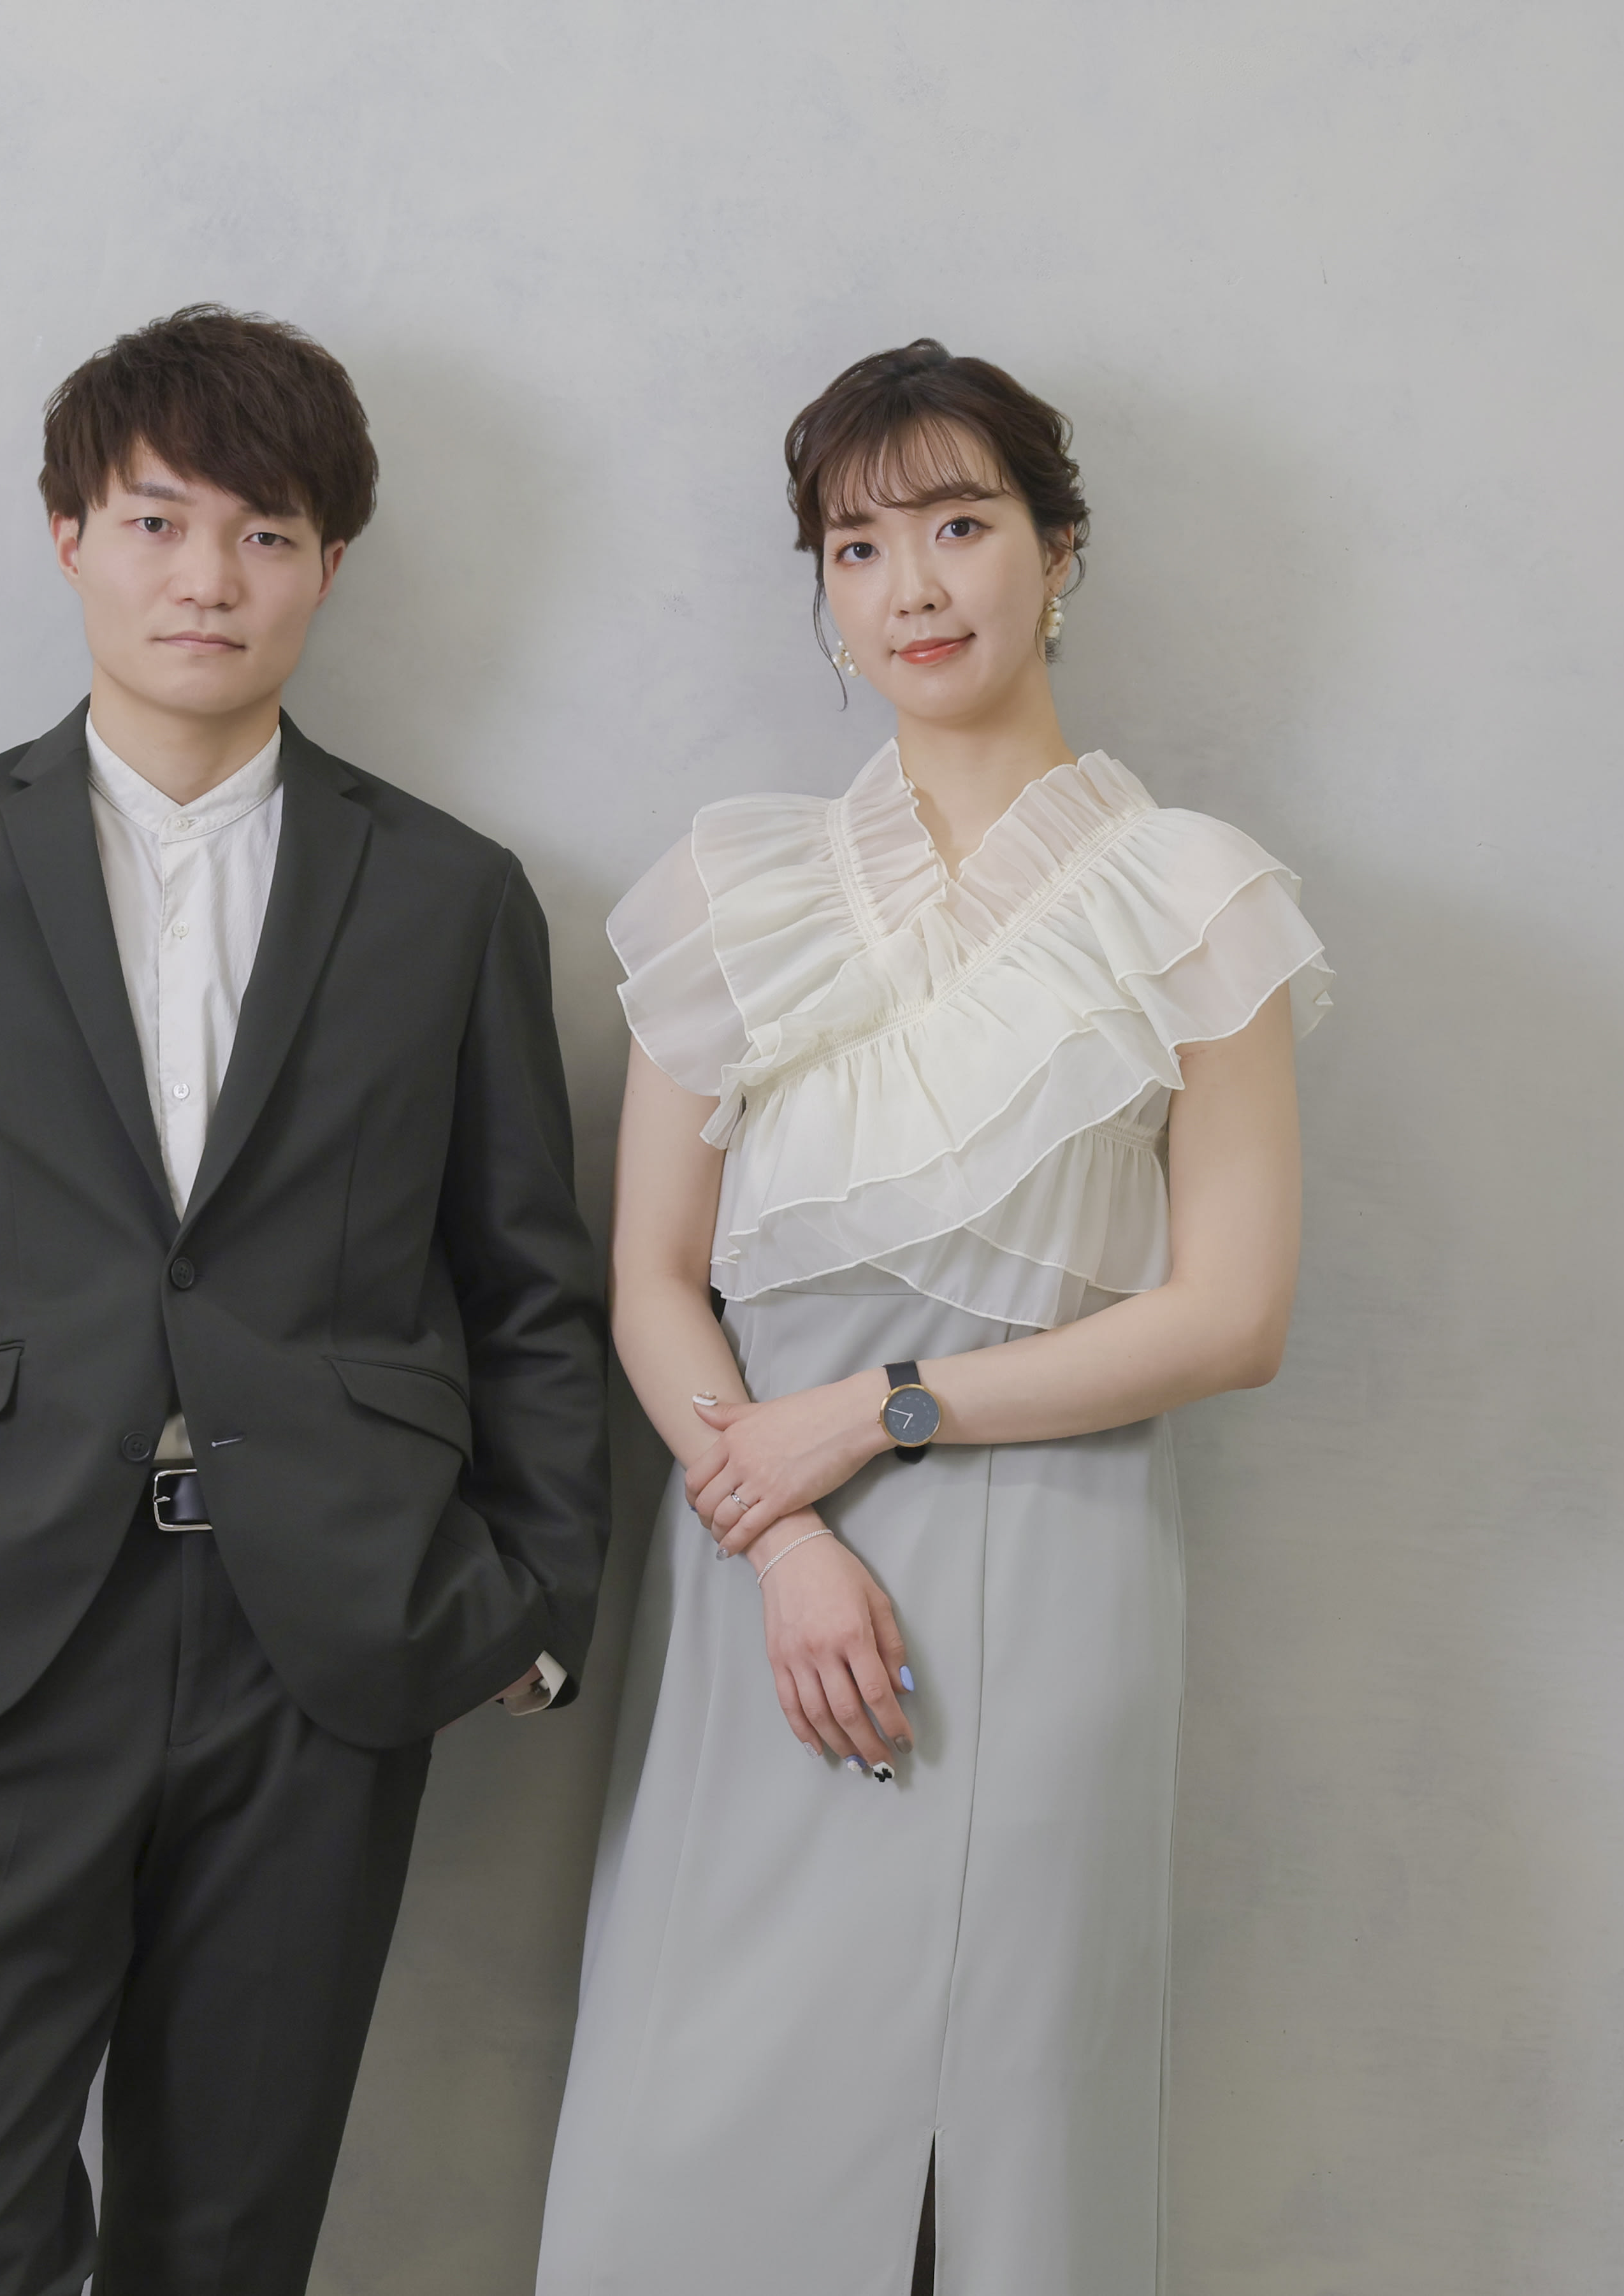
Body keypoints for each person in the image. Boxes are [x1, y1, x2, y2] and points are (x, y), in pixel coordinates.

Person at [0, 305, 610, 2296]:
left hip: (321, 1641)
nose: (208, 578)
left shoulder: (446, 897)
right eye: (159, 521)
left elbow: (529, 1282)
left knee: (225, 2245)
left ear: (329, 563)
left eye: (265, 534)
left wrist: (528, 1605)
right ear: (68, 536)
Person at [537, 341, 1331, 2295]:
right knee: (699, 2129)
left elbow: (1231, 1314)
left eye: (959, 525)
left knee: (1010, 2130)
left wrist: (878, 1410)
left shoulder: (1191, 895)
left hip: (1052, 1561)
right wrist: (783, 1529)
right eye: (856, 544)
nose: (910, 585)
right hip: (757, 1561)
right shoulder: (733, 889)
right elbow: (650, 1277)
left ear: (1058, 552)